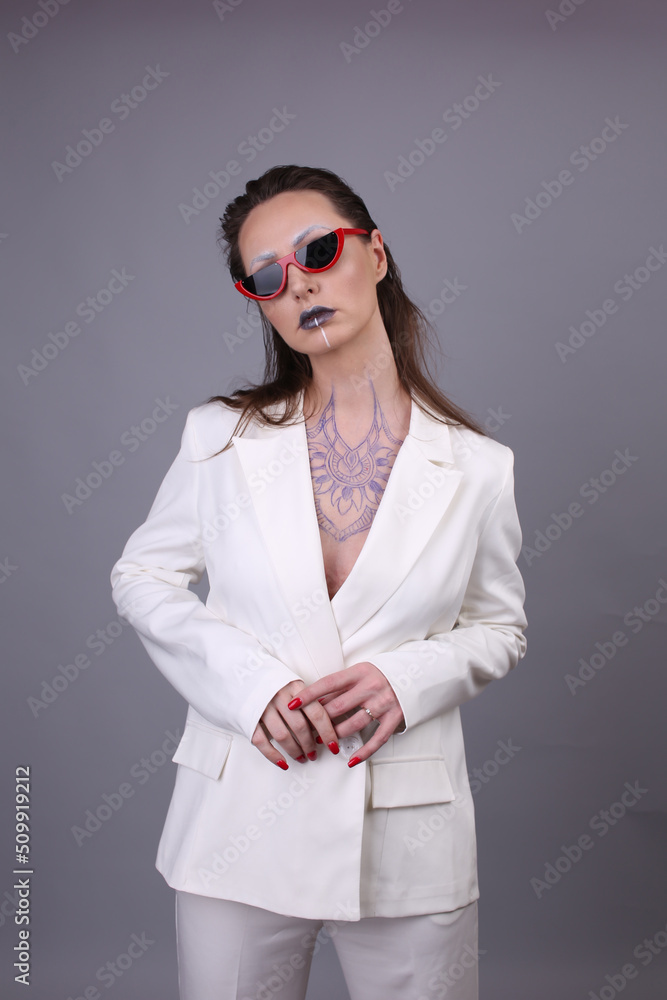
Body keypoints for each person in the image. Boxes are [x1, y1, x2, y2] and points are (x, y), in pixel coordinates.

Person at [110, 163, 528, 1000]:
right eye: (265, 277)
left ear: (375, 254)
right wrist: (249, 687)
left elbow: (498, 627)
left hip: (406, 833)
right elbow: (142, 575)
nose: (297, 283)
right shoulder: (219, 438)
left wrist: (406, 679)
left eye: (317, 251)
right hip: (237, 814)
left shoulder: (478, 467)